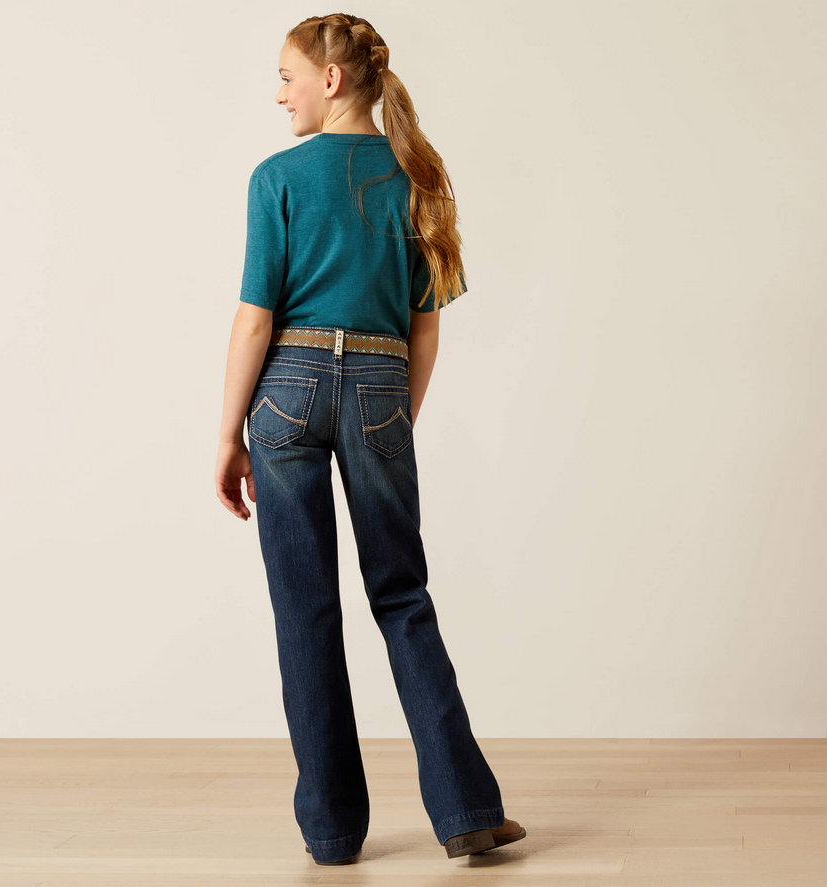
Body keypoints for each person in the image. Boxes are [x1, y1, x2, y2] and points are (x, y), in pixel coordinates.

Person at [214, 13, 526, 866]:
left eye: (286, 77)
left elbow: (254, 319)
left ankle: (331, 831)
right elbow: (425, 330)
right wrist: (391, 420)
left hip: (284, 390)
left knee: (304, 608)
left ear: (331, 79)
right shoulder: (419, 176)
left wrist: (228, 434)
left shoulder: (276, 178)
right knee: (402, 595)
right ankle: (465, 809)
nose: (279, 95)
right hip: (382, 383)